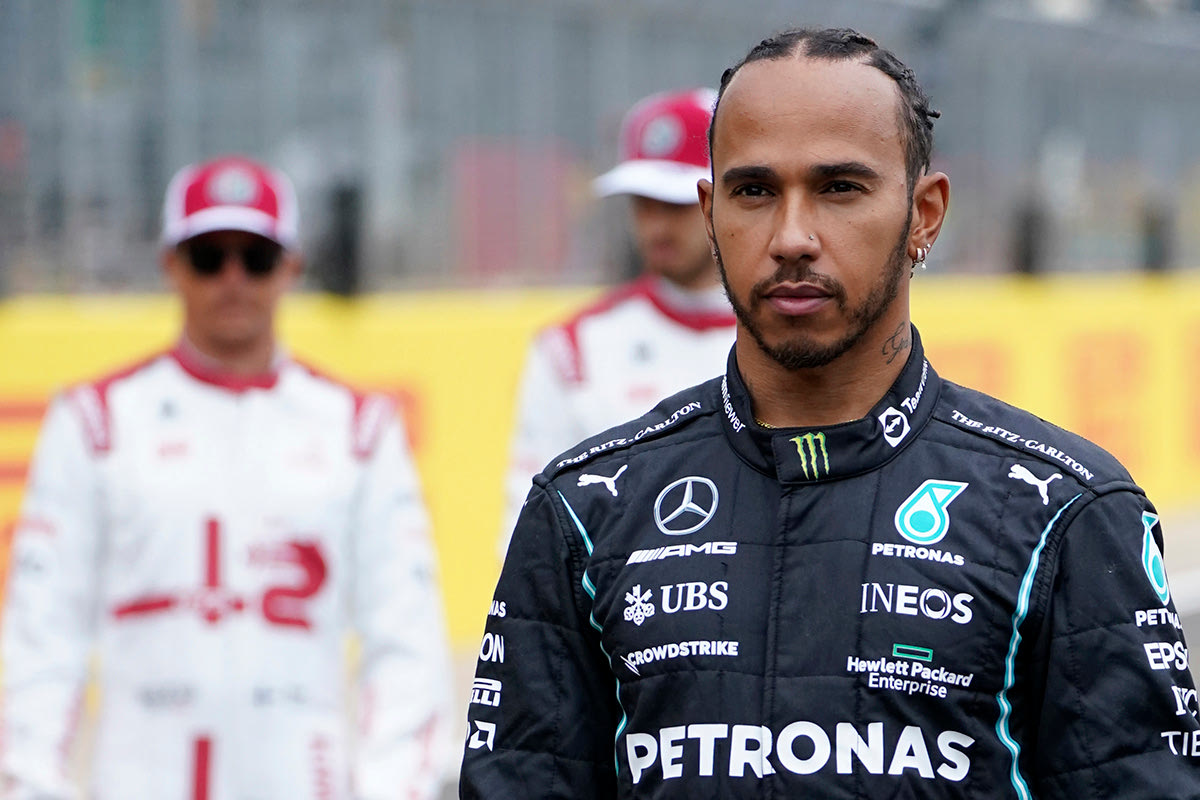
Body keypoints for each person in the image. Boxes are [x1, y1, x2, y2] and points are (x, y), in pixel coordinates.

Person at [461, 27, 1200, 798]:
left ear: (924, 215)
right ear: (711, 214)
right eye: (754, 192)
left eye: (840, 188)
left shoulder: (1067, 513)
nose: (791, 238)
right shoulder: (584, 510)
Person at [1, 155, 453, 800]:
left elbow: (405, 633)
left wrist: (394, 787)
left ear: (292, 265)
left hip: (300, 777)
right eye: (208, 256)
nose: (233, 279)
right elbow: (45, 631)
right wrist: (32, 784)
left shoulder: (359, 429)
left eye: (257, 258)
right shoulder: (95, 422)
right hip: (140, 777)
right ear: (170, 264)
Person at [500, 88, 736, 550]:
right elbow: (528, 529)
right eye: (643, 203)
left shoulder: (793, 336)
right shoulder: (573, 348)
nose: (657, 226)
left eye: (677, 203)